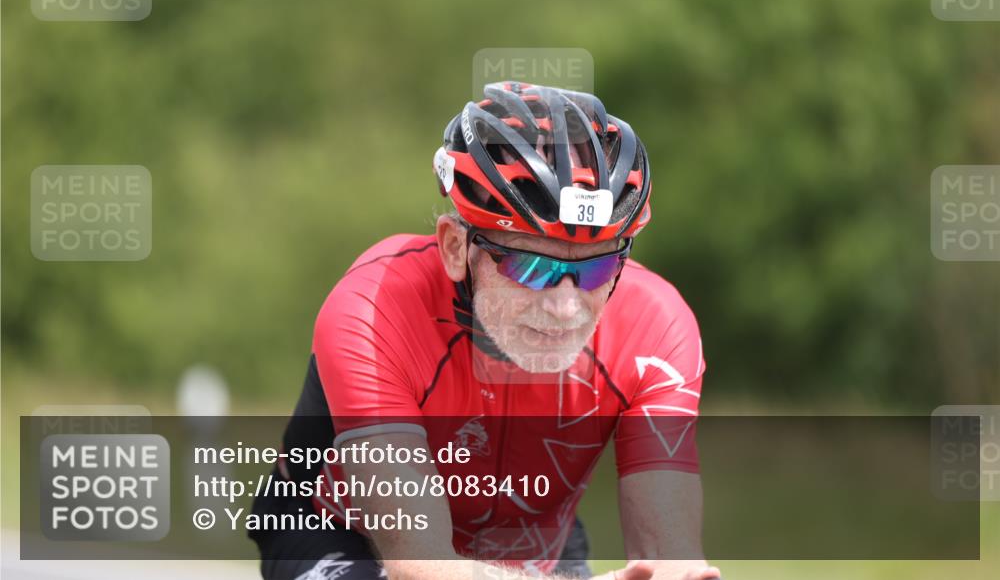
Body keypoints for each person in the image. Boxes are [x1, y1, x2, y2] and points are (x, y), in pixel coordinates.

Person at [249, 81, 722, 580]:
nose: (565, 308)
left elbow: (670, 558)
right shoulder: (375, 306)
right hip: (345, 535)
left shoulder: (657, 324)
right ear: (456, 247)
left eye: (596, 271)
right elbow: (421, 567)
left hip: (535, 552)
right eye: (532, 268)